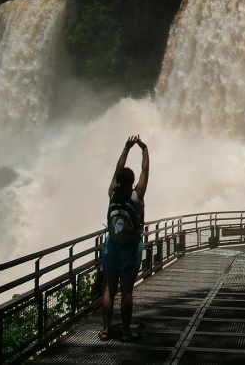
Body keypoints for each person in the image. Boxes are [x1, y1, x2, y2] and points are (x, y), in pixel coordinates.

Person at [99, 135, 149, 342]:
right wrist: (144, 149)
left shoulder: (112, 193)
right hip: (130, 245)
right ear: (132, 182)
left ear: (118, 181)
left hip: (112, 244)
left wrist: (125, 149)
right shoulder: (137, 195)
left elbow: (116, 171)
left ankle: (106, 330)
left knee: (109, 288)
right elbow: (146, 170)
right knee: (127, 290)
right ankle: (126, 331)